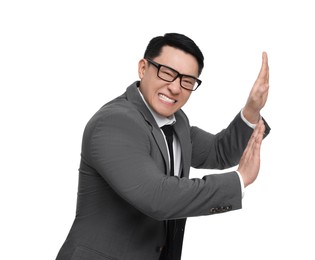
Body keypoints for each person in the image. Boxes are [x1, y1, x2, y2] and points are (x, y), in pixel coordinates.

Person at [56, 32, 270, 260]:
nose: (175, 88)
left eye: (187, 81)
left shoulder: (177, 123)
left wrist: (251, 111)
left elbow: (219, 152)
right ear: (143, 68)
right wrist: (239, 180)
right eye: (167, 73)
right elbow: (157, 196)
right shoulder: (114, 122)